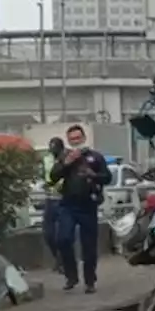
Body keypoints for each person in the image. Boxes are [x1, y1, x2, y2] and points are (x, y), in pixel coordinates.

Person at [49, 124, 112, 293]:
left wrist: (94, 175)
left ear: (84, 138)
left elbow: (107, 178)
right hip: (68, 205)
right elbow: (53, 177)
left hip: (88, 205)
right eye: (72, 139)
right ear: (68, 141)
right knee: (63, 239)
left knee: (89, 246)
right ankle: (71, 275)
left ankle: (90, 281)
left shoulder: (95, 157)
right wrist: (66, 163)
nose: (76, 141)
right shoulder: (64, 157)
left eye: (78, 138)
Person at [40, 137, 65, 272]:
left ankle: (62, 262)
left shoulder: (67, 159)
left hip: (63, 199)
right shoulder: (46, 160)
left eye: (54, 147)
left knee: (62, 234)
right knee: (48, 234)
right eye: (51, 147)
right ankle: (58, 258)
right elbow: (44, 175)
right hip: (50, 198)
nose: (52, 150)